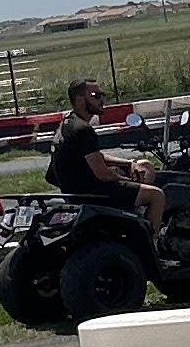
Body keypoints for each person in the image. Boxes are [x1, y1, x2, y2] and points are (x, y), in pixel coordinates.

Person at [47, 77, 165, 240]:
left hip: (78, 189)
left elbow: (94, 156)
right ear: (80, 99)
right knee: (157, 195)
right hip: (93, 193)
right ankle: (151, 244)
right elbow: (103, 174)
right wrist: (129, 180)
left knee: (144, 165)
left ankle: (136, 216)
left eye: (102, 95)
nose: (101, 100)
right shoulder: (83, 130)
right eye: (95, 96)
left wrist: (129, 163)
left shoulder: (68, 123)